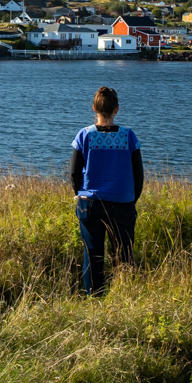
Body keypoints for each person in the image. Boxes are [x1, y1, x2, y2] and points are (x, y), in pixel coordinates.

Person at [71, 86, 144, 296]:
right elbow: (138, 175)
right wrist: (132, 199)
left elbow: (74, 173)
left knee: (92, 254)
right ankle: (124, 295)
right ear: (117, 109)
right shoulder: (128, 136)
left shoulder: (84, 135)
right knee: (124, 254)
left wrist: (80, 193)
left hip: (90, 203)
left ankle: (94, 298)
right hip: (122, 203)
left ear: (94, 108)